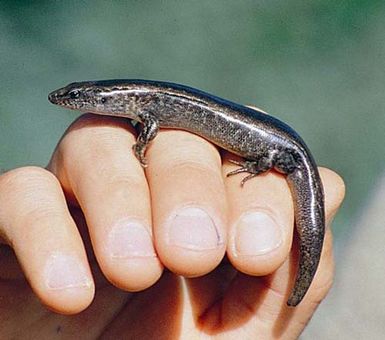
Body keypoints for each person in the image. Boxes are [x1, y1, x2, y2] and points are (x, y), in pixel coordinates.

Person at [0, 114, 344, 339]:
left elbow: (148, 130)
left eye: (78, 100)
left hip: (286, 155)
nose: (69, 104)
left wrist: (140, 148)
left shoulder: (147, 111)